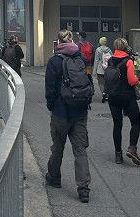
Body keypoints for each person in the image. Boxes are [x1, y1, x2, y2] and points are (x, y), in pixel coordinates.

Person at [44, 29, 92, 203]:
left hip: (61, 112)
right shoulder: (81, 58)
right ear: (72, 41)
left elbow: (50, 89)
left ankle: (54, 177)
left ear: (58, 42)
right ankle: (83, 189)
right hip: (80, 111)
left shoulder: (54, 62)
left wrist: (52, 107)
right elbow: (88, 82)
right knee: (80, 150)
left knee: (58, 146)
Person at [105, 38, 140, 166]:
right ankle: (132, 148)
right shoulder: (128, 61)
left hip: (113, 96)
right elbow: (131, 80)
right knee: (136, 122)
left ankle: (118, 154)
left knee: (117, 124)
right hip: (127, 96)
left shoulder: (110, 60)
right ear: (126, 47)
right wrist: (137, 80)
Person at [93, 37, 112, 101]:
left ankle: (103, 93)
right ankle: (107, 94)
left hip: (100, 69)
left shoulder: (98, 50)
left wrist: (94, 70)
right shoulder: (109, 50)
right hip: (107, 69)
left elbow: (96, 60)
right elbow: (111, 59)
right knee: (107, 82)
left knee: (101, 83)